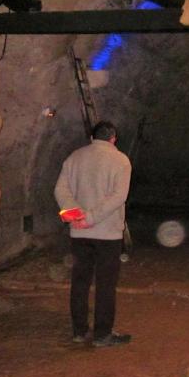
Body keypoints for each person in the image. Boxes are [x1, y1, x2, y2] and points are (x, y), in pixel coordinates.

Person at [54, 121, 132, 347]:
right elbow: (118, 197)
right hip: (107, 234)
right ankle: (102, 334)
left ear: (91, 137)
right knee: (105, 285)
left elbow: (60, 190)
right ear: (113, 139)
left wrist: (76, 216)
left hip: (79, 233)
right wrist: (91, 217)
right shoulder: (121, 160)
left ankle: (79, 330)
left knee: (80, 282)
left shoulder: (74, 157)